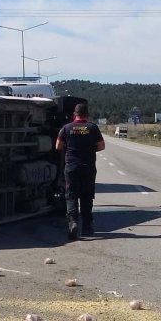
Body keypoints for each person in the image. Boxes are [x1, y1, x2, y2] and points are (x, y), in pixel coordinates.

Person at [55, 102, 105, 240]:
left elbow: (58, 146)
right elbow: (101, 146)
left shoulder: (66, 128)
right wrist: (89, 149)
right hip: (88, 166)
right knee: (87, 196)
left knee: (71, 195)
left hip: (71, 167)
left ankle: (73, 223)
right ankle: (87, 227)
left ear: (74, 115)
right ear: (87, 115)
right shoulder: (92, 127)